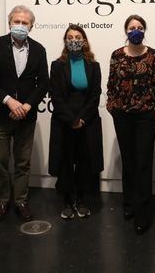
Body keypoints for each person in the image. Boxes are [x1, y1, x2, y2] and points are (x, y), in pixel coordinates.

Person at [0, 5, 49, 222]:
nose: (20, 25)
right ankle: (2, 200)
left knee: (22, 162)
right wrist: (9, 101)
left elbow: (43, 82)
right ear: (9, 23)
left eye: (24, 23)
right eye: (16, 21)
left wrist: (27, 105)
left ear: (31, 26)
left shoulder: (39, 49)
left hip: (26, 116)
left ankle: (21, 201)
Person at [106, 14, 155, 234]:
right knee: (128, 160)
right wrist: (112, 107)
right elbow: (111, 85)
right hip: (121, 116)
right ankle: (129, 204)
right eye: (132, 27)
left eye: (140, 27)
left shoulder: (152, 55)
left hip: (145, 117)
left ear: (145, 30)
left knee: (143, 163)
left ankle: (142, 212)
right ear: (126, 31)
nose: (136, 30)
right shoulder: (116, 55)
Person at [48, 24, 103, 220]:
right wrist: (71, 119)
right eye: (69, 37)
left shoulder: (94, 66)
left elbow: (95, 95)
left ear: (84, 40)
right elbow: (55, 95)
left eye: (77, 36)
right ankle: (66, 201)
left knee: (84, 162)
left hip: (87, 119)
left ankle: (81, 200)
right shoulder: (56, 65)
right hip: (64, 120)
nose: (73, 40)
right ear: (65, 41)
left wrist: (82, 118)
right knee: (65, 161)